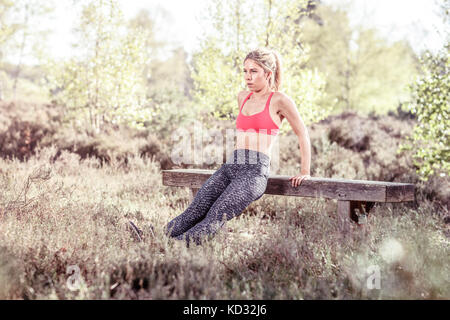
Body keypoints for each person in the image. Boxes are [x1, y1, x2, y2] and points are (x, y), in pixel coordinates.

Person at [129, 48, 311, 246]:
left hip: (253, 173)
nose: (247, 77)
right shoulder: (243, 97)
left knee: (215, 216)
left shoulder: (280, 100)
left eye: (254, 71)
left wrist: (304, 171)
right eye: (245, 71)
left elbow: (302, 133)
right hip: (231, 167)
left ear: (268, 74)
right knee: (195, 210)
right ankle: (153, 239)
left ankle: (171, 246)